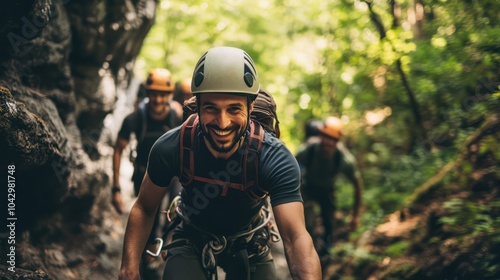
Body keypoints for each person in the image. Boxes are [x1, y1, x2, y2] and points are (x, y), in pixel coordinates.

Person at [119, 46, 321, 280]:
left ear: (250, 107)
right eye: (211, 108)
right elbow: (144, 207)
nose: (222, 123)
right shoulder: (173, 147)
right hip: (192, 236)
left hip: (251, 241)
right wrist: (129, 269)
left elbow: (296, 238)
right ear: (198, 107)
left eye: (234, 109)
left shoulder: (274, 157)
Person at [112, 68, 183, 278]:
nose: (158, 99)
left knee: (175, 212)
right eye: (153, 93)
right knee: (147, 216)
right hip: (144, 175)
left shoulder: (177, 118)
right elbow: (118, 150)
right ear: (147, 93)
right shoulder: (134, 119)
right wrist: (115, 189)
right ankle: (146, 260)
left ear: (169, 96)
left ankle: (165, 252)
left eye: (162, 94)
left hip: (173, 177)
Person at [295, 116, 363, 246]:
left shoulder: (345, 159)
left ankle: (326, 250)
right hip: (307, 187)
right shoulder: (308, 149)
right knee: (306, 223)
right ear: (320, 136)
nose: (328, 142)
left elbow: (357, 185)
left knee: (329, 224)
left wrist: (355, 216)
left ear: (338, 141)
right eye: (326, 137)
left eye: (333, 139)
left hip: (326, 190)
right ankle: (308, 243)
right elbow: (290, 168)